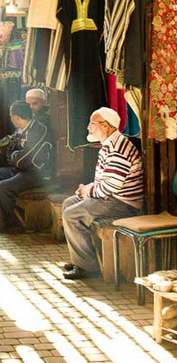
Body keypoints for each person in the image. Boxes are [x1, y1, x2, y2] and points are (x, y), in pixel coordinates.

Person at [61, 107, 144, 280]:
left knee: (71, 214)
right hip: (111, 198)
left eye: (92, 123)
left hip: (123, 204)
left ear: (105, 126)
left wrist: (86, 191)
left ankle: (87, 267)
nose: (88, 127)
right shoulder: (109, 145)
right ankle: (81, 259)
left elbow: (109, 188)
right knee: (68, 203)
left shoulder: (117, 149)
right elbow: (104, 182)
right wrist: (87, 190)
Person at [0, 101, 52, 233]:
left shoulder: (39, 130)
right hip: (20, 170)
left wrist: (12, 155)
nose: (11, 119)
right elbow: (12, 149)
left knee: (3, 186)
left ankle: (9, 223)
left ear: (16, 117)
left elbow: (22, 158)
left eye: (11, 116)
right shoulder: (21, 130)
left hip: (36, 174)